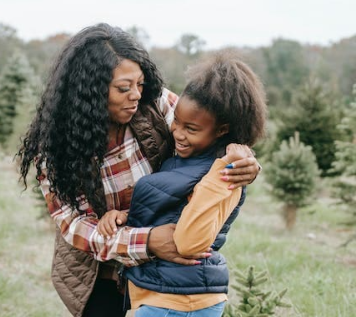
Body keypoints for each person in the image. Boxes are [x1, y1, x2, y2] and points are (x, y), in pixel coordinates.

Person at [17, 23, 262, 317]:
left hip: (164, 276)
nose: (135, 95)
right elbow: (76, 226)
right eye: (123, 88)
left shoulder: (155, 105)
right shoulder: (54, 151)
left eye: (140, 84)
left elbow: (214, 133)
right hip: (102, 273)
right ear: (90, 92)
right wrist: (149, 241)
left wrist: (245, 161)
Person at [96, 51, 267, 317]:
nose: (177, 132)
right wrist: (123, 217)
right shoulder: (183, 159)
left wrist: (220, 173)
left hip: (179, 300)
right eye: (176, 120)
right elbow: (172, 210)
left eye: (191, 129)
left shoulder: (225, 173)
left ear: (221, 130)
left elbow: (189, 242)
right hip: (160, 292)